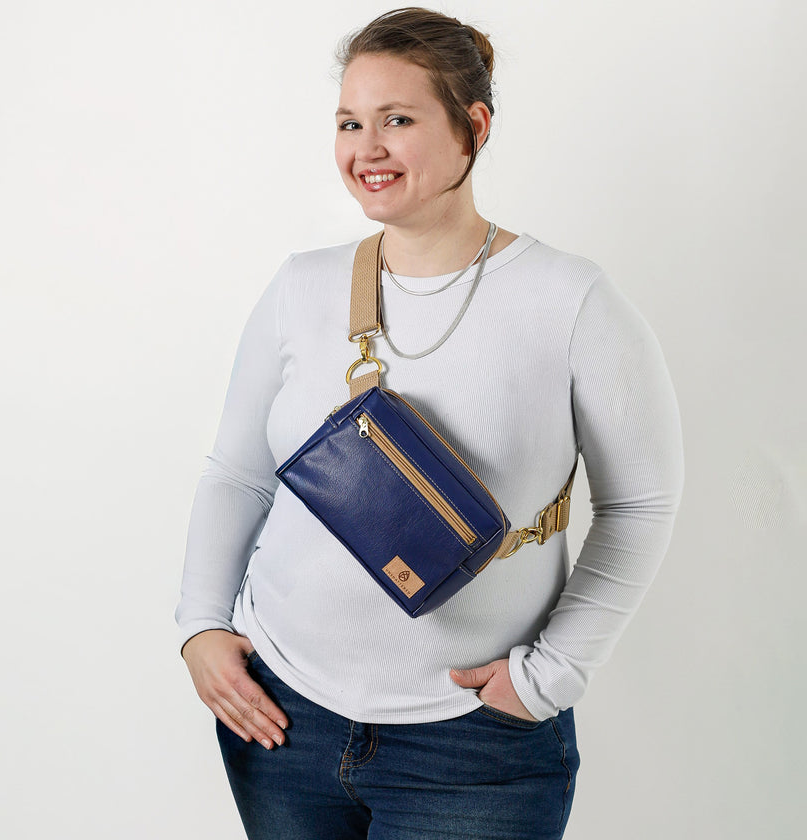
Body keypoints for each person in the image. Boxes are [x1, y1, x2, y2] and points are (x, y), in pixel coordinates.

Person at [176, 7, 683, 839]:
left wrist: (551, 677)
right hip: (283, 720)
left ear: (472, 128)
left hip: (475, 747)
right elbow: (236, 471)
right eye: (349, 121)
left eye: (398, 120)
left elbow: (642, 504)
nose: (365, 148)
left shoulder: (572, 301)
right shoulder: (301, 287)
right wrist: (200, 624)